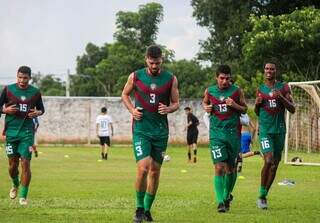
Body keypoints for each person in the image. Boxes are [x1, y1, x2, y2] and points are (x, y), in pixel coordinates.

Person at [121, 45, 179, 222]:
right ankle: (138, 208)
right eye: (152, 62)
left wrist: (168, 108)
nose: (155, 66)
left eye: (158, 62)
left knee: (155, 171)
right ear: (146, 59)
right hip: (141, 130)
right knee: (143, 167)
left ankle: (147, 209)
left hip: (160, 132)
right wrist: (132, 110)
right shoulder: (136, 76)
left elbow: (176, 103)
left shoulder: (170, 79)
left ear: (162, 60)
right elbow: (124, 94)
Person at [202, 64, 247, 212]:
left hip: (233, 135)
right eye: (222, 78)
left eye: (227, 78)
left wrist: (234, 105)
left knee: (231, 168)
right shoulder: (210, 91)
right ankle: (220, 202)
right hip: (216, 135)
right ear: (217, 78)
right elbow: (205, 102)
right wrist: (206, 107)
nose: (224, 81)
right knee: (219, 167)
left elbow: (245, 109)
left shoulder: (237, 91)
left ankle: (227, 195)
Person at [0, 66, 45, 206]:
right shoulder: (8, 90)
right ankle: (15, 184)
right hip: (11, 133)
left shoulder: (35, 93)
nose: (22, 80)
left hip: (27, 133)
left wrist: (37, 113)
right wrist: (4, 109)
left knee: (25, 163)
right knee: (12, 166)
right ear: (17, 76)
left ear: (29, 78)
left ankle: (23, 196)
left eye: (25, 78)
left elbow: (41, 109)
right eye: (20, 77)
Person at [254, 61, 295, 209]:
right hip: (265, 131)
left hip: (279, 131)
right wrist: (257, 104)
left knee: (274, 165)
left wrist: (282, 98)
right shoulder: (260, 89)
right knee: (269, 160)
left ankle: (263, 196)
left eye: (271, 68)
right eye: (266, 68)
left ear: (275, 71)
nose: (269, 71)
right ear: (264, 71)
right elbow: (257, 112)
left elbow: (293, 109)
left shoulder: (284, 87)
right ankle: (260, 192)